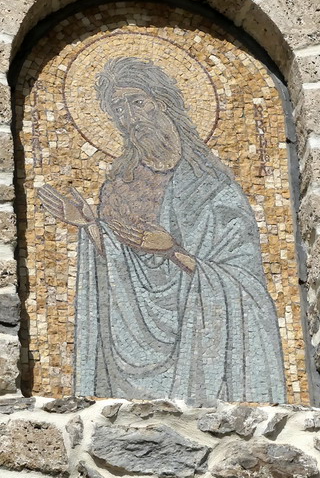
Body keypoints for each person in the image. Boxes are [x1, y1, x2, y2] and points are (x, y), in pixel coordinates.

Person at [37, 56, 287, 404]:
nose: (130, 117)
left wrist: (173, 251)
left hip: (200, 340)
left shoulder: (212, 184)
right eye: (119, 109)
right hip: (130, 345)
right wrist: (91, 227)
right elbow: (119, 273)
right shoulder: (120, 185)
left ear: (163, 103)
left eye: (137, 102)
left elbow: (245, 283)